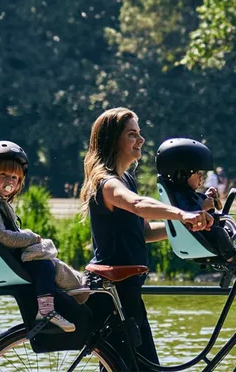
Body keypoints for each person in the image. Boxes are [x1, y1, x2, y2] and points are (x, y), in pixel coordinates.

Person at [79, 108, 212, 369]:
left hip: (128, 289)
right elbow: (138, 204)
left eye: (139, 134)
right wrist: (182, 213)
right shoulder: (107, 183)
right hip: (113, 291)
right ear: (112, 140)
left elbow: (144, 232)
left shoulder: (125, 179)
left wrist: (189, 219)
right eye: (132, 134)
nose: (140, 140)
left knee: (140, 366)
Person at [0, 140, 87, 333]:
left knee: (51, 264)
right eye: (3, 175)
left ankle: (79, 287)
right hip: (12, 262)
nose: (9, 181)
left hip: (14, 259)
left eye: (15, 178)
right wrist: (32, 238)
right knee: (45, 264)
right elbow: (4, 237)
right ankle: (47, 310)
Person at [156, 138, 236, 261]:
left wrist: (208, 197)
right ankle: (232, 258)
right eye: (197, 173)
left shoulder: (188, 193)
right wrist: (202, 207)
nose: (201, 176)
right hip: (198, 234)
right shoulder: (179, 195)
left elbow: (214, 207)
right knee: (219, 233)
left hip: (204, 229)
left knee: (233, 230)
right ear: (182, 175)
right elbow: (185, 213)